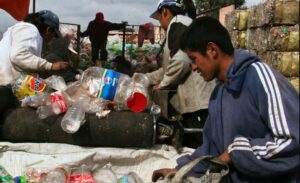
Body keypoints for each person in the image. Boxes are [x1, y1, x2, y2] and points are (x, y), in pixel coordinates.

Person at [152, 16, 299, 182]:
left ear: (212, 50)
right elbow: (210, 149)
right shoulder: (218, 94)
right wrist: (179, 170)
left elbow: (292, 142)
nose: (193, 67)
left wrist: (236, 152)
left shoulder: (260, 78)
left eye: (193, 59)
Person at [146, 0, 216, 148]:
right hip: (194, 103)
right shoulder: (180, 24)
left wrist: (163, 85)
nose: (161, 23)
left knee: (199, 145)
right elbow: (167, 68)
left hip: (198, 103)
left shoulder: (178, 23)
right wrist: (145, 79)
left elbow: (181, 62)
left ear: (165, 11)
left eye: (159, 18)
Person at [0, 10, 69, 123]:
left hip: (8, 86)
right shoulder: (30, 29)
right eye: (52, 35)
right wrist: (50, 66)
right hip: (4, 87)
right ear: (48, 30)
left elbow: (21, 61)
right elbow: (18, 56)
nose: (51, 39)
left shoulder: (20, 29)